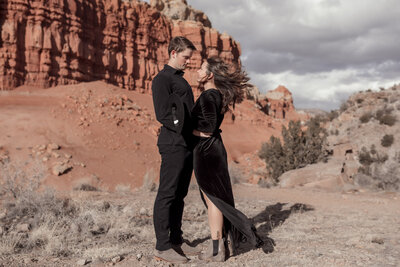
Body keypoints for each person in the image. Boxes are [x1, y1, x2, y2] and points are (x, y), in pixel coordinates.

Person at [192, 57, 264, 262]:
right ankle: (220, 246)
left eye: (201, 68)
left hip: (207, 152)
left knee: (214, 199)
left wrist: (187, 130)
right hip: (209, 151)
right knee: (212, 198)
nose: (197, 71)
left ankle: (218, 250)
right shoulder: (214, 94)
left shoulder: (209, 95)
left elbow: (209, 128)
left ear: (209, 75)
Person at [151, 36, 201, 264]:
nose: (189, 62)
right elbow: (163, 113)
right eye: (185, 57)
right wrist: (188, 130)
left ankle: (176, 241)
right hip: (173, 144)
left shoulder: (179, 79)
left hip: (186, 144)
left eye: (190, 58)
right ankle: (162, 246)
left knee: (180, 195)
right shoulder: (162, 79)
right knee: (167, 193)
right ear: (173, 53)